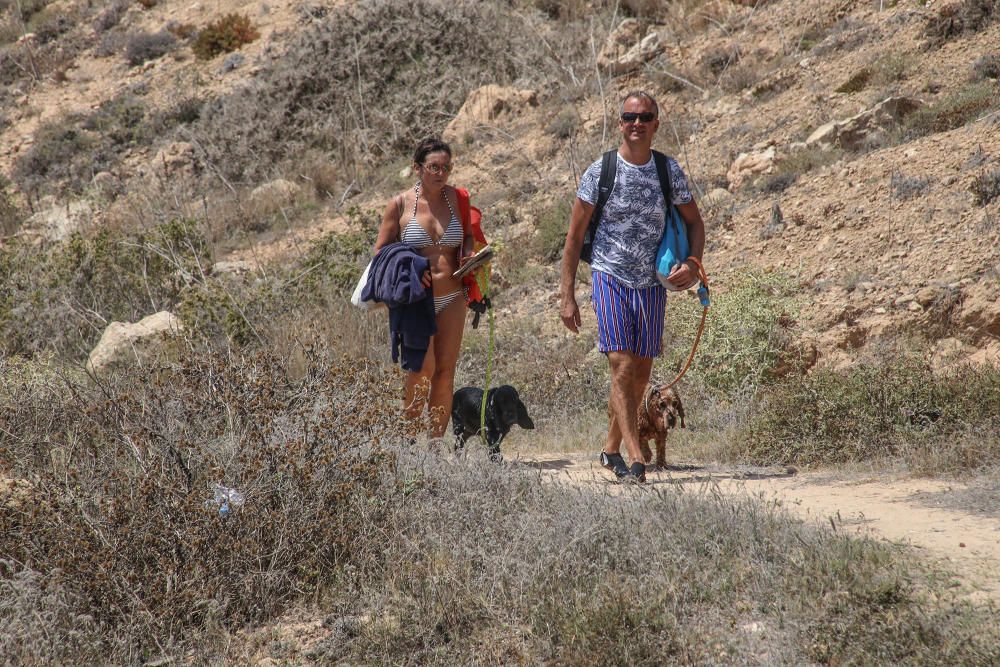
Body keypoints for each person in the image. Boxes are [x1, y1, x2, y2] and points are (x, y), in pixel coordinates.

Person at [559, 91, 706, 483]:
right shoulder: (600, 172)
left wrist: (693, 264)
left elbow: (695, 223)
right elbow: (573, 239)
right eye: (629, 117)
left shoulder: (668, 171)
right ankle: (635, 459)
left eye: (645, 117)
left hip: (652, 283)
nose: (636, 123)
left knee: (640, 372)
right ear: (619, 123)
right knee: (622, 366)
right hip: (610, 276)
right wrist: (567, 295)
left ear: (657, 123)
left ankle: (609, 451)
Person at [374, 137, 475, 440]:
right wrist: (409, 269)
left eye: (446, 167)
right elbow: (381, 253)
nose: (440, 173)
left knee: (445, 372)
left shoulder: (458, 198)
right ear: (417, 168)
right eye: (433, 167)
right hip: (416, 299)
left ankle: (433, 449)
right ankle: (406, 441)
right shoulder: (400, 204)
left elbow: (467, 235)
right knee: (421, 370)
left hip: (452, 295)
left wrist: (469, 254)